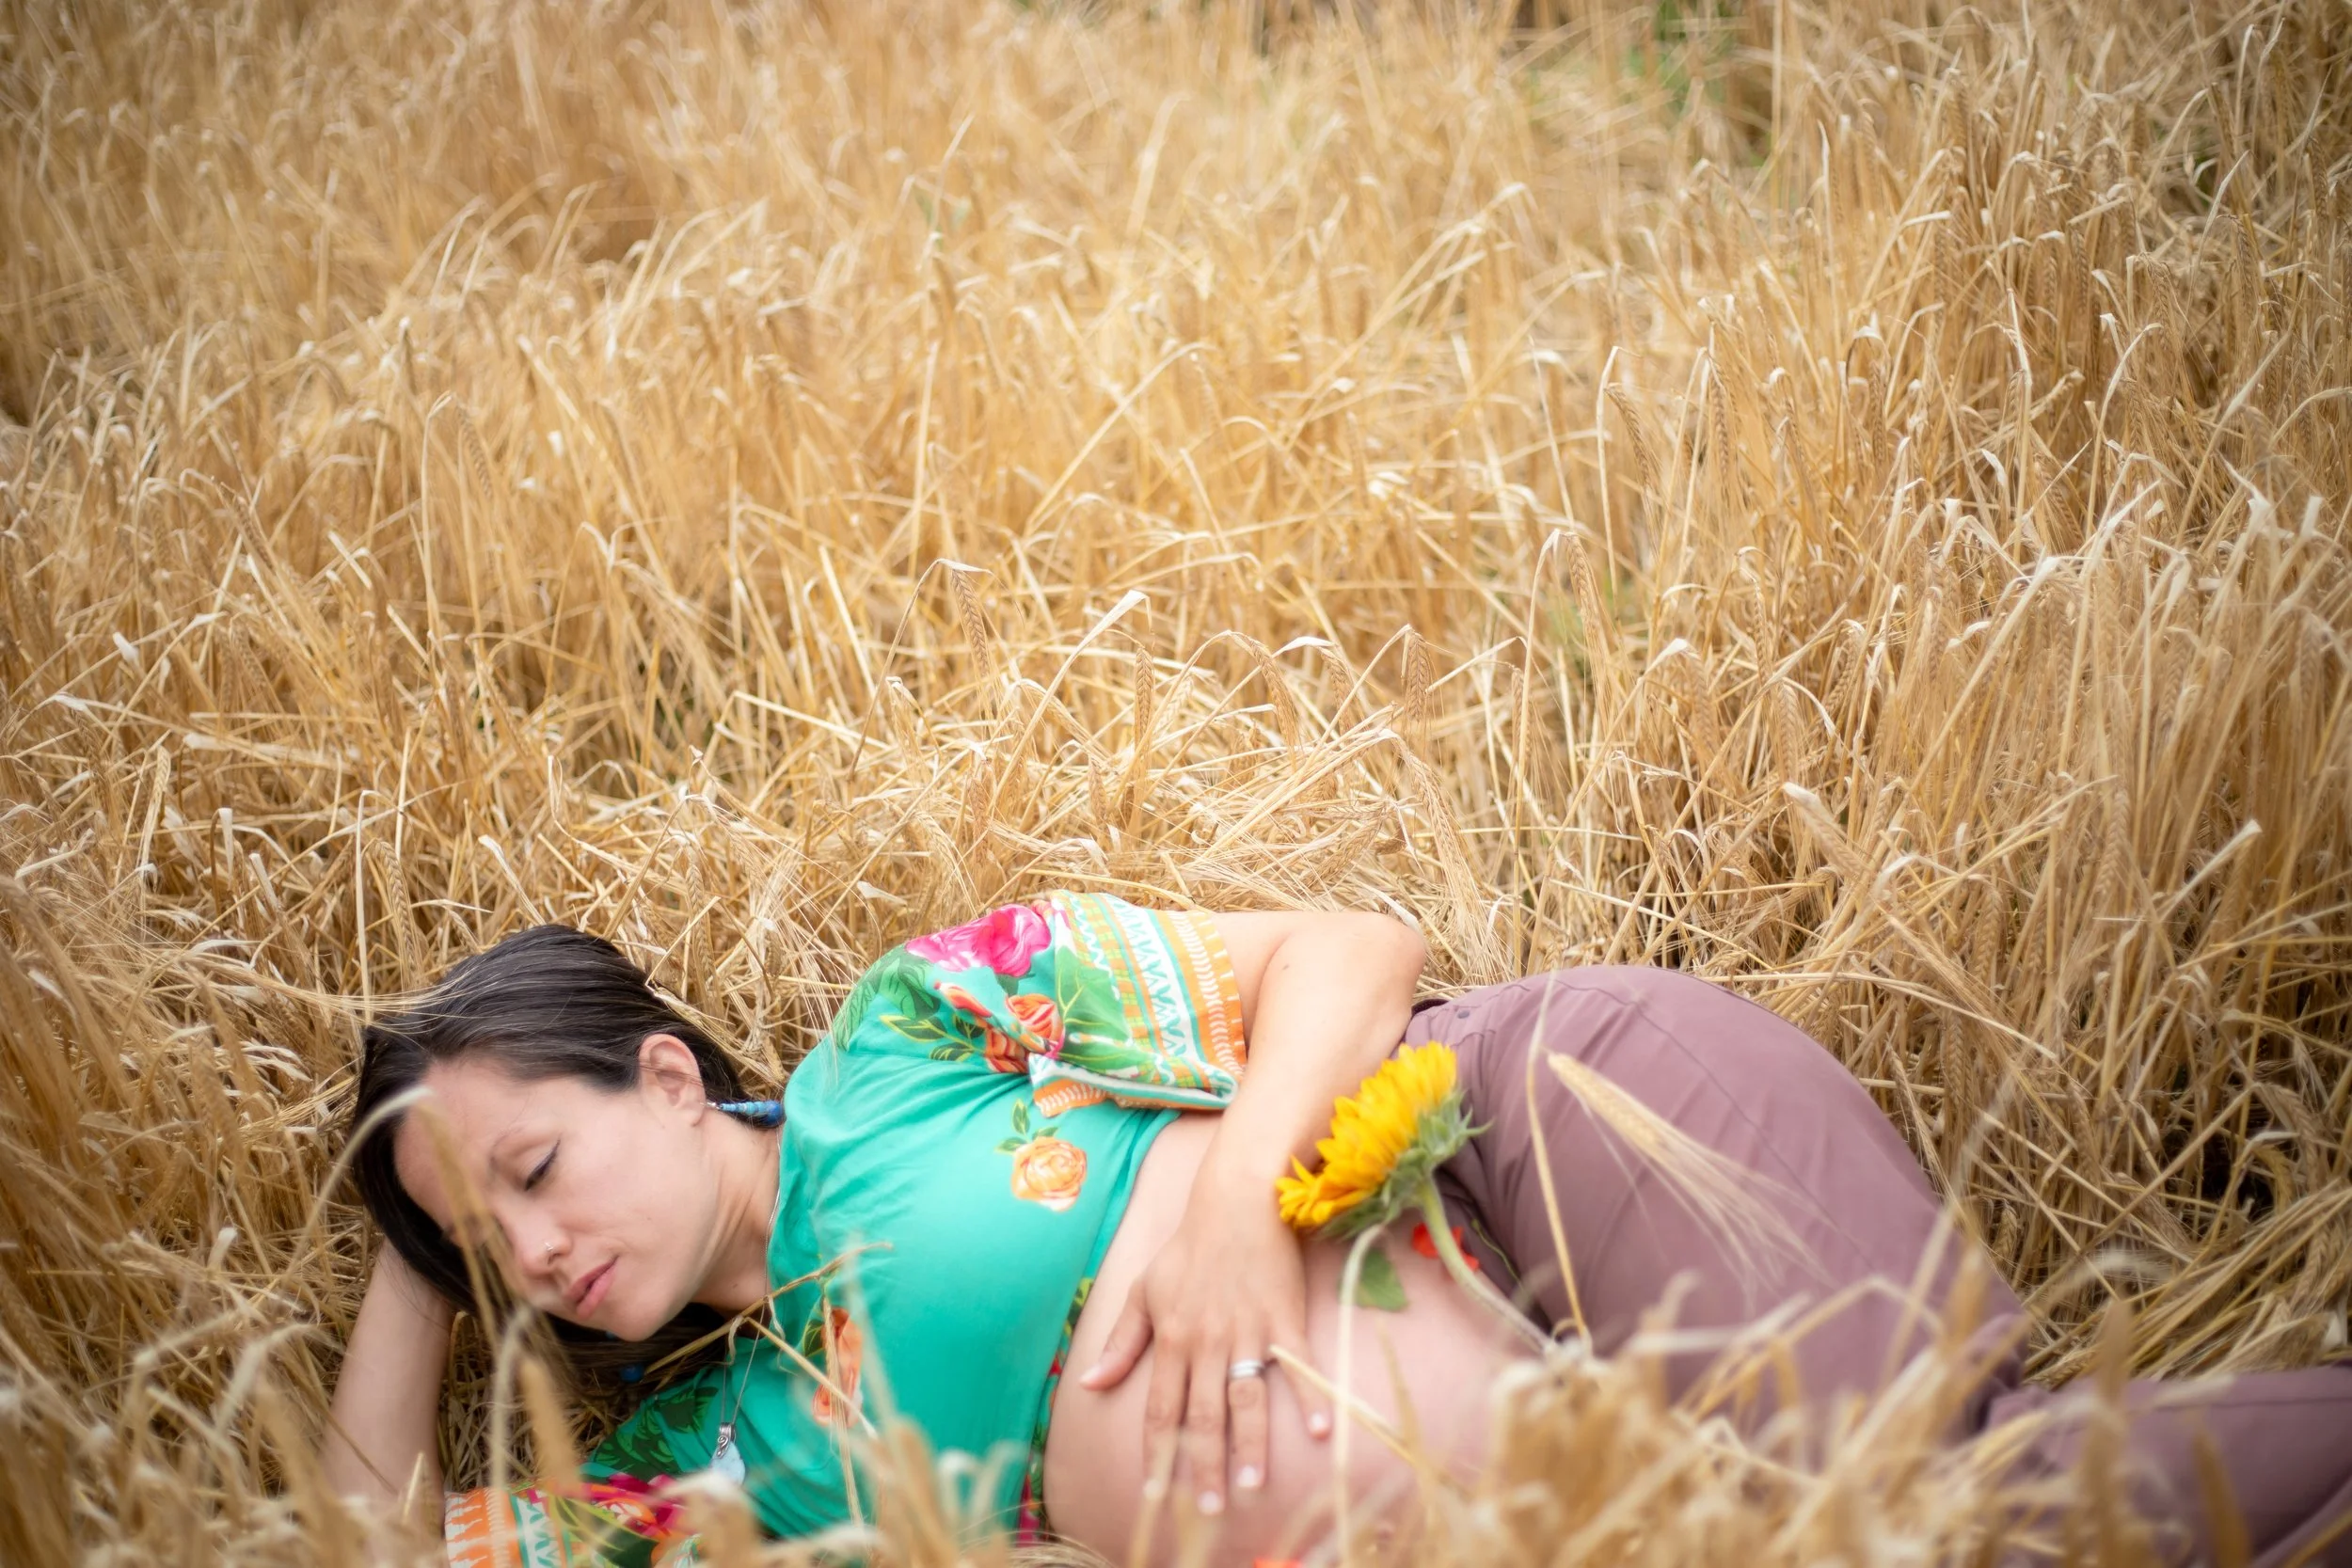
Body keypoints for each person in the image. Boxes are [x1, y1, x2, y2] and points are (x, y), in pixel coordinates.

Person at [326, 894, 2352, 1566]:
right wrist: (415, 1253)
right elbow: (352, 1543)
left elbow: (1351, 949)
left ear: (667, 1074)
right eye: (488, 1249)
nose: (537, 1252)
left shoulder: (908, 1033)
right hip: (1599, 1501)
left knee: (1957, 1512)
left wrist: (1224, 1199)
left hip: (1529, 1150)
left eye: (532, 1168)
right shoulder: (716, 1461)